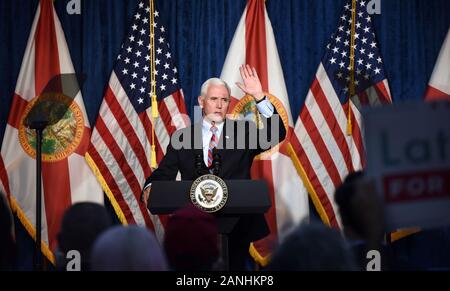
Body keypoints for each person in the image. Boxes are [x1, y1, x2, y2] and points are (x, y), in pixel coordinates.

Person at [142, 64, 286, 270]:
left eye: (224, 100)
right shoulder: (182, 137)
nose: (219, 105)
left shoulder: (244, 133)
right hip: (194, 226)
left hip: (237, 224)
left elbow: (276, 133)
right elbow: (165, 172)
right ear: (202, 102)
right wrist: (149, 187)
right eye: (213, 99)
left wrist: (259, 97)